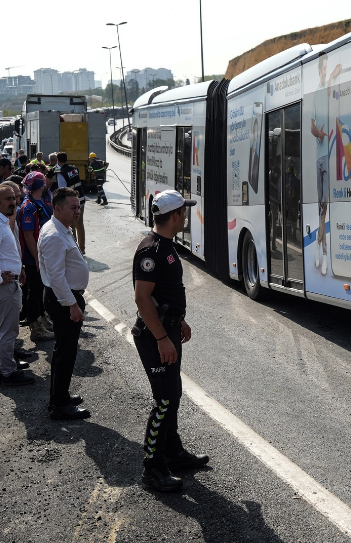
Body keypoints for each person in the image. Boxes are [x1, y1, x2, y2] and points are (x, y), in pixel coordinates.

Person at [132, 190, 208, 492]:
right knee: (163, 401)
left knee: (173, 396)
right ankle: (152, 468)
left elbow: (165, 293)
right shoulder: (151, 250)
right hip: (155, 336)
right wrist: (163, 337)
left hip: (169, 330)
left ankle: (173, 452)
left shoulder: (165, 245)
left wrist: (180, 320)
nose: (186, 216)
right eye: (184, 211)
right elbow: (142, 298)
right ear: (175, 215)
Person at [38, 187, 89, 420]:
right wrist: (72, 305)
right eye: (73, 207)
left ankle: (61, 395)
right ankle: (59, 405)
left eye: (78, 206)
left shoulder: (62, 229)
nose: (77, 211)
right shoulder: (54, 235)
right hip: (63, 300)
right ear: (57, 209)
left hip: (66, 298)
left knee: (65, 351)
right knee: (65, 353)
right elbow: (56, 276)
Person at [0, 183, 31, 386]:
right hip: (3, 285)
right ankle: (8, 373)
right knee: (8, 331)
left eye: (14, 198)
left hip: (2, 281)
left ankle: (0, 370)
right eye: (8, 199)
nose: (13, 202)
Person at [309, 55, 342, 276]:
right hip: (321, 158)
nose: (325, 71)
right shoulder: (315, 96)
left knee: (325, 206)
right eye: (323, 68)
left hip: (329, 157)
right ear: (318, 71)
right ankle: (322, 247)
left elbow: (331, 87)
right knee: (322, 206)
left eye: (326, 68)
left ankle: (321, 248)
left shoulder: (328, 91)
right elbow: (312, 128)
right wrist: (320, 133)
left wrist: (333, 75)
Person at [16, 172, 54, 342]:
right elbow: (28, 234)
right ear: (41, 185)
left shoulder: (39, 202)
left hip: (42, 254)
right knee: (36, 290)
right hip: (34, 257)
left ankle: (41, 318)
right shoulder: (30, 206)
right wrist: (37, 257)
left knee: (40, 289)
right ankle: (35, 327)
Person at [54, 153, 85, 254]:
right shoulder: (74, 168)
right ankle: (82, 248)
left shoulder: (61, 173)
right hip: (81, 199)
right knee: (80, 223)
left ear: (58, 160)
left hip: (70, 202)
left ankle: (74, 249)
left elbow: (62, 190)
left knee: (71, 225)